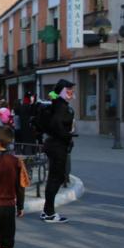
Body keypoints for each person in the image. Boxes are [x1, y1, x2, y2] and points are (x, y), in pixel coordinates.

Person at [40, 79, 75, 224]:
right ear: (61, 92)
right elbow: (57, 125)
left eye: (72, 91)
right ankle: (49, 212)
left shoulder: (57, 104)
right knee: (57, 178)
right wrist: (68, 135)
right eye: (68, 91)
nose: (71, 94)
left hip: (53, 144)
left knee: (55, 177)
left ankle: (47, 210)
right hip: (57, 145)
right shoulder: (61, 107)